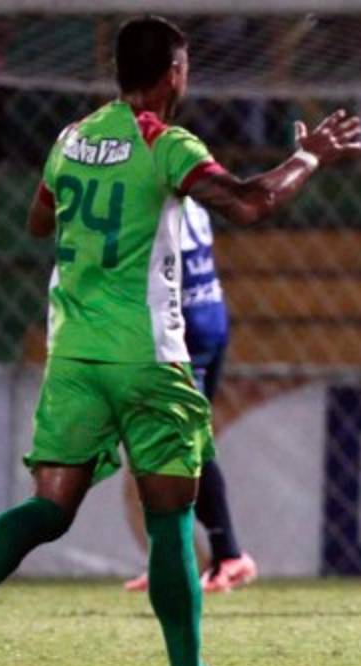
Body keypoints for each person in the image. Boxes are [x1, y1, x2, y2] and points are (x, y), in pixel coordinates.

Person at [0, 15, 361, 666]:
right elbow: (253, 200)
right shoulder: (165, 141)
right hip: (149, 358)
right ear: (173, 73)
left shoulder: (71, 138)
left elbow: (40, 223)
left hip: (71, 353)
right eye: (186, 69)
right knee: (170, 520)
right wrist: (309, 157)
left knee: (50, 507)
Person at [121, 197, 257, 595]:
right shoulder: (188, 195)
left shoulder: (145, 199)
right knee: (176, 445)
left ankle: (225, 555)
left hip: (182, 332)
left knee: (177, 448)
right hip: (210, 318)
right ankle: (188, 557)